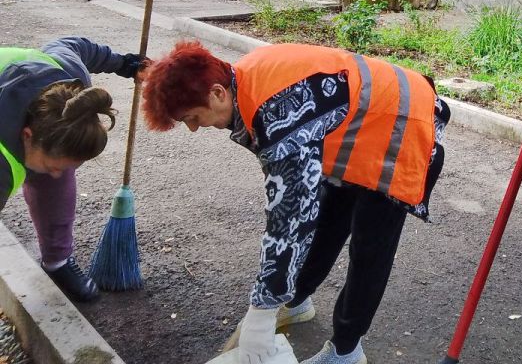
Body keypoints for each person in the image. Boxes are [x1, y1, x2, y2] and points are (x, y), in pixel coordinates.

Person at [141, 40, 449, 364]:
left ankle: (346, 351)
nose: (192, 128)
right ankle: (297, 300)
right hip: (356, 130)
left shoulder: (278, 113)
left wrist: (262, 308)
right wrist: (272, 298)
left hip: (404, 125)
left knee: (370, 247)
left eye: (191, 117)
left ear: (217, 93)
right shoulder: (244, 81)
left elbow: (288, 222)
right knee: (330, 218)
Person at [0, 37, 147, 302]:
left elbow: (78, 46)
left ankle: (57, 262)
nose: (58, 174)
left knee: (55, 179)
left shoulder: (72, 89)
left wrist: (125, 64)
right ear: (26, 135)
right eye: (52, 165)